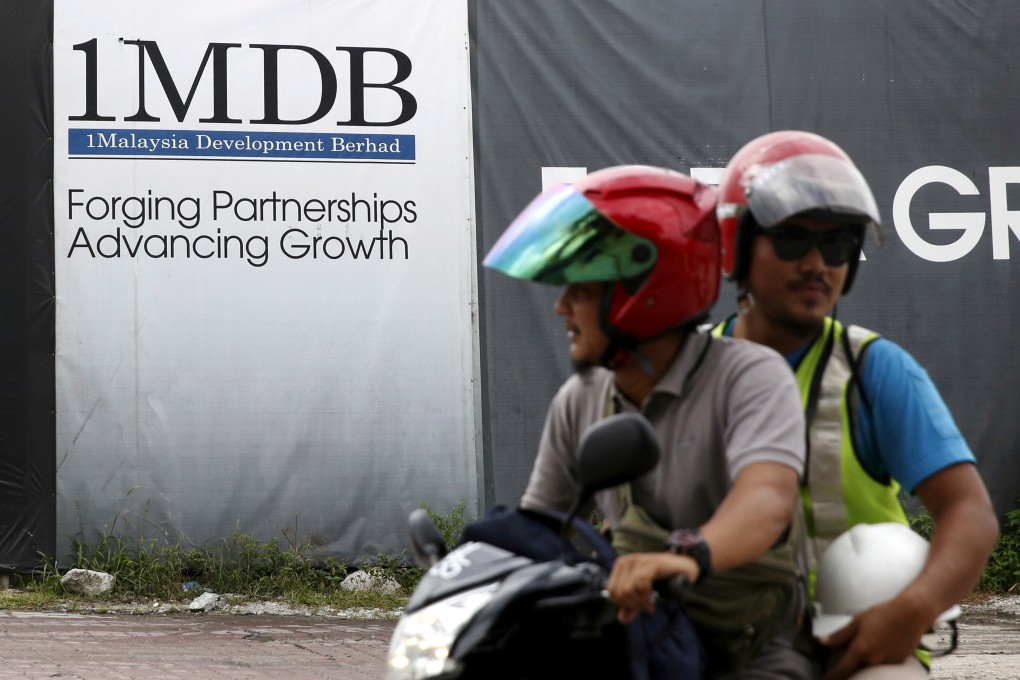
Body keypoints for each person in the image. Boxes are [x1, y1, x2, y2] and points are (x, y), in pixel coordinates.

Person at [483, 164, 816, 678]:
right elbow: (543, 529)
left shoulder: (749, 376)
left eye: (582, 288)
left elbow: (767, 498)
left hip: (749, 645)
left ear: (647, 288)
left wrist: (687, 556)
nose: (561, 306)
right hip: (640, 634)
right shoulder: (582, 398)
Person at [712, 130, 999, 680]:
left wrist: (911, 610)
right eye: (793, 239)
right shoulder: (691, 372)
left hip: (857, 647)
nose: (818, 263)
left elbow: (970, 513)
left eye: (839, 243)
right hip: (723, 644)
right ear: (738, 247)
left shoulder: (874, 369)